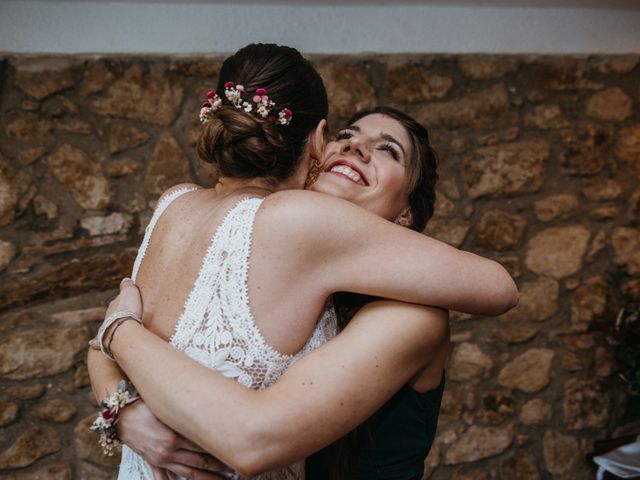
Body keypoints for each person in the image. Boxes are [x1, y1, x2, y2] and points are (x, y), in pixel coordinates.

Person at [88, 43, 518, 479]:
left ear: (406, 213)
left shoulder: (412, 314)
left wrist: (120, 332)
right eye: (345, 137)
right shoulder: (261, 236)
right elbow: (103, 345)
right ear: (317, 147)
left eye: (389, 150)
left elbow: (248, 436)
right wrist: (124, 414)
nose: (356, 149)